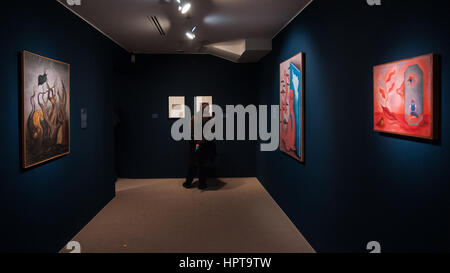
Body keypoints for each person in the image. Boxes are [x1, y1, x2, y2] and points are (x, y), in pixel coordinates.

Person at [183, 103, 217, 190]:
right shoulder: (211, 118)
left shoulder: (194, 117)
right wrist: (203, 141)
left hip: (196, 145)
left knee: (194, 163)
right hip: (205, 145)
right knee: (203, 165)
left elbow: (190, 132)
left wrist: (197, 142)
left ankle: (188, 183)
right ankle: (202, 184)